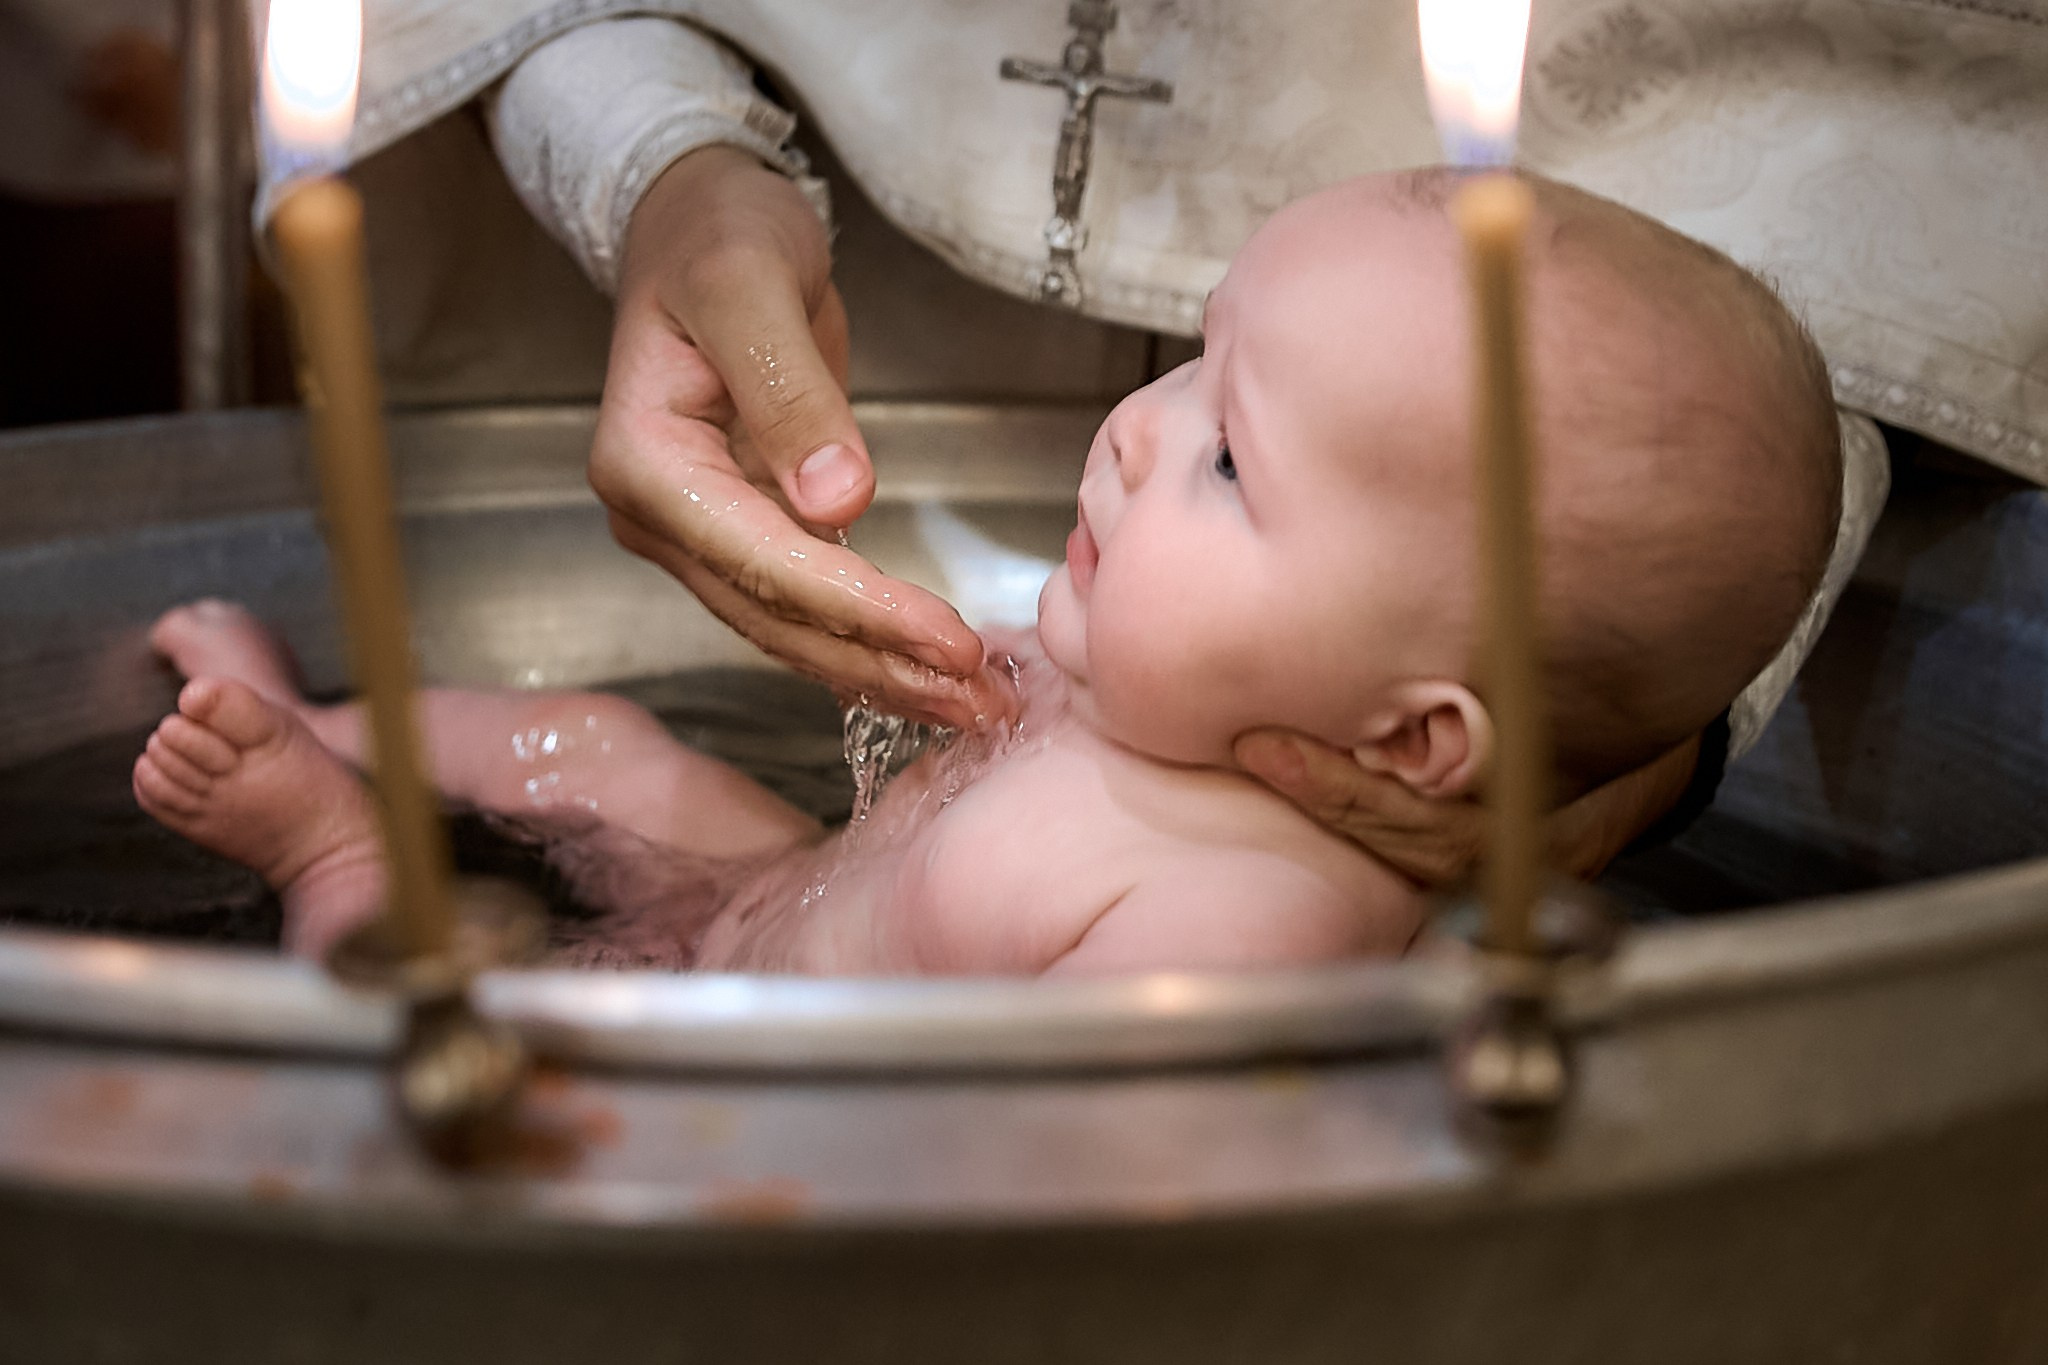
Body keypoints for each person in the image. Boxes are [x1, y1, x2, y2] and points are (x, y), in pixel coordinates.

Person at [135, 170, 1840, 972]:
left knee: (455, 1006)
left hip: (718, 1084)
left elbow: (1026, 1195)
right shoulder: (1178, 683)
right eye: (1193, 358)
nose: (1134, 430)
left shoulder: (1239, 925)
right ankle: (326, 707)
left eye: (1233, 459)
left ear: (1414, 740)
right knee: (608, 742)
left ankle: (330, 844)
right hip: (767, 899)